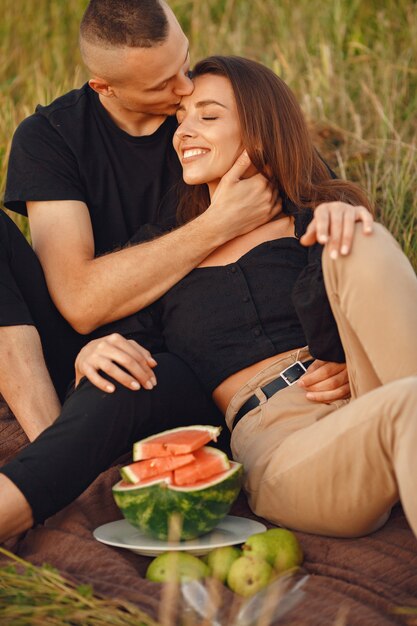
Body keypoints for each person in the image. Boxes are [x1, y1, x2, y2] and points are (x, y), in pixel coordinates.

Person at [76, 56, 417, 540]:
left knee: (361, 237)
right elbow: (111, 327)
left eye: (207, 116)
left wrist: (342, 217)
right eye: (180, 119)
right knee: (408, 402)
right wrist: (91, 349)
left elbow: (371, 304)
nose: (184, 132)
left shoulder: (312, 216)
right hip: (286, 442)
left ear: (258, 134)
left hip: (369, 385)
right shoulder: (162, 252)